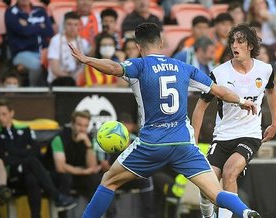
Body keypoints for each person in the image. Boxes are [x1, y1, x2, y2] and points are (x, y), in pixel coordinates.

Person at [69, 22, 261, 218]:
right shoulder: (183, 67)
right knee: (216, 193)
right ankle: (244, 211)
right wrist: (241, 100)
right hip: (183, 144)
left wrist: (87, 60)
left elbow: (113, 68)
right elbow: (217, 90)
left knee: (109, 180)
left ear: (138, 47)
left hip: (152, 143)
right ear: (161, 43)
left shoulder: (139, 65)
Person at [191, 24, 276, 218]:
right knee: (207, 183)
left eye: (240, 41)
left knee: (230, 173)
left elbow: (271, 92)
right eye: (232, 41)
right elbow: (200, 107)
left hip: (249, 135)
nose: (234, 46)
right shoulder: (219, 73)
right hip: (222, 136)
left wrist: (275, 122)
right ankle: (208, 215)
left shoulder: (265, 70)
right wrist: (194, 142)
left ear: (250, 46)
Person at [0, 99, 77, 218]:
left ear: (12, 113)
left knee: (35, 177)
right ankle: (57, 197)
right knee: (31, 162)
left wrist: (13, 152)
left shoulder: (25, 130)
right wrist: (25, 152)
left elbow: (36, 151)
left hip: (28, 172)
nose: (1, 118)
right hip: (12, 174)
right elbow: (4, 157)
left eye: (4, 114)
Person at [50, 110, 102, 217]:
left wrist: (88, 145)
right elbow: (60, 167)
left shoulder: (88, 138)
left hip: (78, 175)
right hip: (57, 176)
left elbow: (92, 167)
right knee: (65, 177)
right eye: (79, 125)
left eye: (85, 126)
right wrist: (84, 171)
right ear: (72, 124)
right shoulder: (59, 138)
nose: (82, 129)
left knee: (95, 179)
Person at [5, 0, 53, 86]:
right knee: (37, 65)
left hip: (43, 51)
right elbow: (24, 32)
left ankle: (54, 89)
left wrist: (28, 25)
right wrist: (39, 26)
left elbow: (49, 32)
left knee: (55, 62)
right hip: (21, 53)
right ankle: (34, 91)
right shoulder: (11, 12)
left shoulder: (40, 10)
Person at [47, 11, 89, 85]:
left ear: (79, 26)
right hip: (59, 81)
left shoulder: (83, 42)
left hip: (78, 82)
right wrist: (72, 79)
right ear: (64, 25)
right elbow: (55, 69)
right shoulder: (56, 40)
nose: (72, 28)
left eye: (75, 25)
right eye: (69, 24)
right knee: (68, 82)